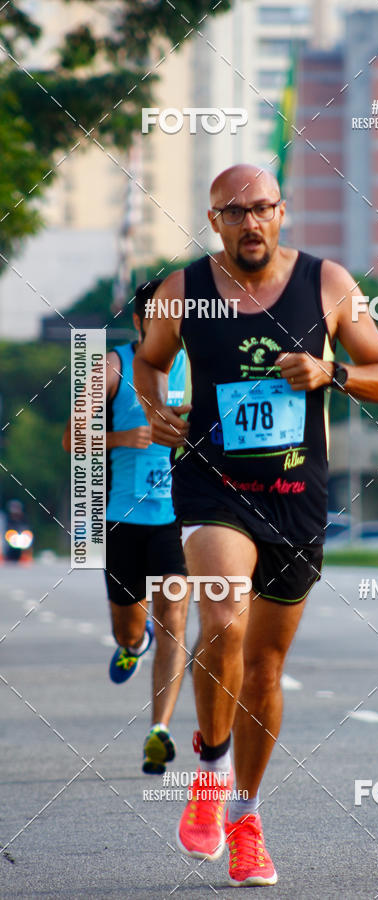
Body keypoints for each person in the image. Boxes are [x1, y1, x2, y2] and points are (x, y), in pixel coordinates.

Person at [133, 164, 378, 887]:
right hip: (214, 487)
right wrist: (156, 406)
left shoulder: (328, 283)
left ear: (281, 212)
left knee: (264, 670)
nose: (250, 222)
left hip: (294, 495)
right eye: (234, 212)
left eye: (262, 208)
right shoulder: (180, 291)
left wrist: (330, 373)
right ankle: (212, 773)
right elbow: (149, 363)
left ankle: (247, 817)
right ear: (214, 219)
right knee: (222, 611)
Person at [62, 279, 190, 775]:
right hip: (122, 521)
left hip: (177, 521)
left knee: (174, 619)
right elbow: (74, 439)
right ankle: (133, 646)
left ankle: (159, 730)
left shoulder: (194, 366)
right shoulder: (110, 366)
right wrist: (120, 436)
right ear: (139, 322)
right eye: (158, 318)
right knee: (129, 626)